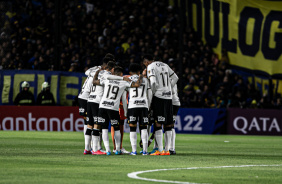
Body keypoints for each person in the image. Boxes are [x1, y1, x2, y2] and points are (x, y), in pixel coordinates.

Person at [93, 66, 142, 155]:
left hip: (103, 106)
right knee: (116, 129)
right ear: (121, 74)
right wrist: (141, 76)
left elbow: (94, 82)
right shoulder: (123, 82)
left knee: (104, 128)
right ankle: (118, 149)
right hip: (113, 108)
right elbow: (137, 85)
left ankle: (108, 150)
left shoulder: (107, 80)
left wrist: (96, 73)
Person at [143, 54, 179, 156]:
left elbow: (153, 82)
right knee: (168, 124)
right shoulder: (165, 65)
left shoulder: (151, 66)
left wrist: (155, 93)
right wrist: (168, 88)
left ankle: (159, 150)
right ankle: (167, 150)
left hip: (159, 97)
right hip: (168, 98)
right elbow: (176, 78)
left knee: (158, 123)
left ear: (146, 62)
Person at [127, 63, 152, 155]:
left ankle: (134, 151)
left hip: (133, 106)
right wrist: (148, 107)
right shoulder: (145, 80)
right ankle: (145, 151)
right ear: (139, 72)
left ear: (130, 72)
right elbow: (149, 95)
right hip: (143, 106)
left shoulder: (128, 79)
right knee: (144, 128)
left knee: (132, 128)